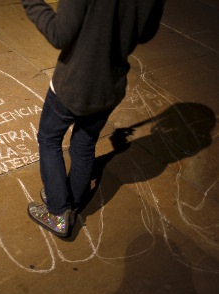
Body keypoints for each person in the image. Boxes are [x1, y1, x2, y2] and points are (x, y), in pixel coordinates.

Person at [22, 0, 164, 237]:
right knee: (84, 144)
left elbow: (59, 34)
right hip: (111, 85)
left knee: (49, 138)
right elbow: (145, 33)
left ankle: (58, 211)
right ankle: (73, 201)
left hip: (75, 83)